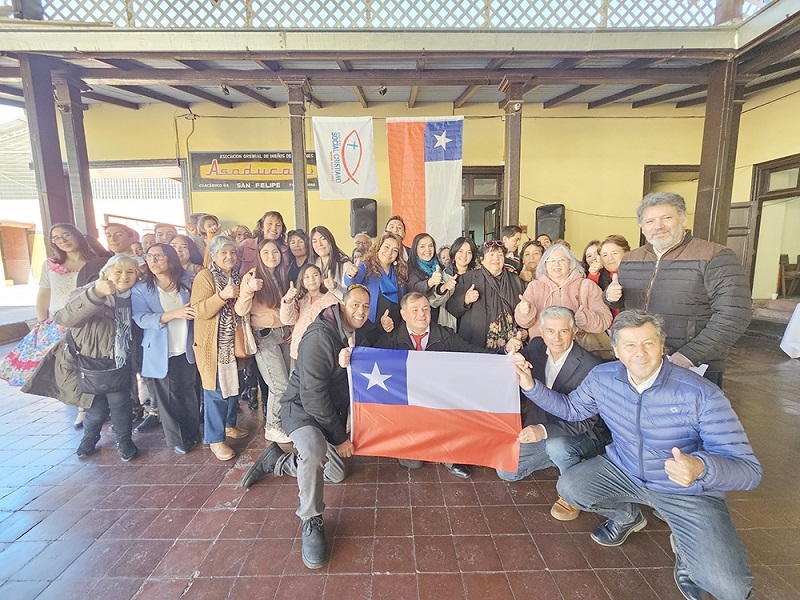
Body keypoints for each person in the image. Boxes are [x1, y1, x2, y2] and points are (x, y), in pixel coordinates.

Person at [516, 310, 761, 600]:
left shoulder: (700, 394)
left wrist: (700, 467)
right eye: (630, 345)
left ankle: (686, 548)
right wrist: (530, 385)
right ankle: (627, 517)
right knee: (570, 486)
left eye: (648, 343)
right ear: (617, 350)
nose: (640, 353)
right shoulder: (603, 377)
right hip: (625, 471)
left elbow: (749, 470)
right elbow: (572, 409)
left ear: (662, 346)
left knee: (730, 589)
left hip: (685, 490)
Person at [241, 285, 383, 569]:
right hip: (302, 409)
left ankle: (278, 463)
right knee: (315, 450)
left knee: (338, 473)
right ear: (342, 304)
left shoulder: (361, 330)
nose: (361, 311)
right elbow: (312, 396)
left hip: (328, 410)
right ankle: (311, 519)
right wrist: (339, 437)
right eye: (356, 304)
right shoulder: (320, 337)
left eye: (366, 306)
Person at [605, 192, 752, 385]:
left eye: (666, 218)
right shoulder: (631, 259)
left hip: (693, 364)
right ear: (642, 227)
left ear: (682, 219)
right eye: (650, 221)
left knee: (689, 415)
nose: (658, 226)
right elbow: (628, 306)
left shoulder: (714, 256)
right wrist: (610, 297)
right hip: (641, 360)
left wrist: (690, 355)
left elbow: (735, 314)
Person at [379, 292, 522, 479]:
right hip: (409, 406)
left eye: (425, 309)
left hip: (440, 403)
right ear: (404, 314)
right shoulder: (391, 340)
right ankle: (417, 445)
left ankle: (449, 456)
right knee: (413, 463)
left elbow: (473, 353)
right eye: (415, 310)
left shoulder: (445, 335)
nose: (422, 314)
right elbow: (369, 359)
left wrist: (505, 353)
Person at [24, 255, 141, 462]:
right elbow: (65, 318)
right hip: (89, 364)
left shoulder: (137, 296)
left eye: (130, 272)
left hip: (119, 362)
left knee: (121, 406)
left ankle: (124, 441)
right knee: (95, 410)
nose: (124, 276)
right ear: (105, 273)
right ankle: (89, 438)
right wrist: (97, 293)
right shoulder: (87, 292)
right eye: (118, 271)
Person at [496, 306, 609, 521]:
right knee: (507, 472)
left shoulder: (591, 367)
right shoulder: (537, 346)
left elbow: (586, 421)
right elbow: (512, 363)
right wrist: (509, 351)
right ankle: (573, 461)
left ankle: (572, 491)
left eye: (563, 331)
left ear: (575, 332)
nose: (556, 338)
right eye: (550, 331)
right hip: (543, 427)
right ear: (541, 331)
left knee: (557, 445)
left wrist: (543, 431)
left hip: (583, 432)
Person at [0, 223, 97, 427]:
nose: (62, 240)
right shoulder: (50, 264)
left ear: (77, 235)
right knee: (66, 366)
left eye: (66, 235)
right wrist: (41, 318)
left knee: (86, 365)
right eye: (56, 238)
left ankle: (90, 405)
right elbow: (44, 291)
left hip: (88, 321)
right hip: (59, 321)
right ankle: (80, 405)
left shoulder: (95, 262)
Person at [132, 244, 200, 455]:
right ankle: (177, 439)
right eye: (149, 256)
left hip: (186, 346)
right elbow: (141, 318)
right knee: (168, 397)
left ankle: (193, 432)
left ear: (170, 259)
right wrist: (173, 314)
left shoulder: (188, 279)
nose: (152, 261)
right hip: (161, 350)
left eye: (158, 256)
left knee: (189, 391)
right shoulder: (141, 288)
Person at [190, 235, 250, 461]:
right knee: (215, 392)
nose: (229, 256)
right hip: (213, 346)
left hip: (234, 344)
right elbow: (199, 311)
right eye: (223, 252)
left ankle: (229, 425)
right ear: (213, 256)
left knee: (234, 387)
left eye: (233, 252)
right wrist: (222, 296)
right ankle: (215, 439)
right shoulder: (205, 277)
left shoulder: (237, 275)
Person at [235, 239, 292, 443]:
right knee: (279, 384)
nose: (271, 256)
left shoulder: (283, 275)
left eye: (275, 252)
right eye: (265, 252)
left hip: (284, 334)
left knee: (289, 382)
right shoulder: (252, 277)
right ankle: (272, 426)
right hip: (264, 336)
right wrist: (249, 289)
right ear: (259, 255)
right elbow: (240, 310)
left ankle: (285, 422)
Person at [515, 243, 611, 340]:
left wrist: (586, 318)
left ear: (570, 264)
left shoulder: (587, 286)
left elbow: (605, 319)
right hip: (542, 347)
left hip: (577, 346)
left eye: (561, 260)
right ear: (545, 265)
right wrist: (525, 312)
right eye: (551, 260)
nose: (556, 264)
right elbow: (523, 323)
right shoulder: (535, 287)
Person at [446, 240, 525, 349]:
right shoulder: (468, 278)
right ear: (482, 260)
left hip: (510, 344)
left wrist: (524, 328)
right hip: (475, 343)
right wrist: (465, 299)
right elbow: (451, 307)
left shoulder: (515, 280)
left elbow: (524, 310)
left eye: (500, 255)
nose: (496, 258)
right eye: (491, 254)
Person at [344, 231, 407, 327]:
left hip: (395, 327)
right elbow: (351, 281)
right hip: (370, 328)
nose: (389, 252)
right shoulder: (365, 266)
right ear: (378, 247)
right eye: (386, 247)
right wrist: (350, 274)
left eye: (395, 250)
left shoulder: (400, 272)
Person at [279, 264, 339, 363]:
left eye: (315, 275)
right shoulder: (300, 300)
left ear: (321, 278)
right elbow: (288, 320)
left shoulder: (331, 300)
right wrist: (288, 300)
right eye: (306, 277)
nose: (311, 279)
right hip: (297, 351)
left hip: (319, 351)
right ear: (302, 282)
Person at [406, 232, 457, 325]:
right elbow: (414, 288)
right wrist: (430, 282)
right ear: (415, 249)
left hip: (441, 314)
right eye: (422, 246)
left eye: (431, 246)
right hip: (422, 316)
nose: (428, 250)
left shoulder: (438, 264)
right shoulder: (411, 267)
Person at [238, 211, 290, 275]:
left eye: (278, 225)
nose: (274, 228)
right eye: (270, 223)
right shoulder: (246, 245)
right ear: (262, 227)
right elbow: (233, 268)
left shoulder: (286, 250)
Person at [308, 225, 352, 300]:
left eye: (323, 239)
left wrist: (335, 287)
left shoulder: (345, 265)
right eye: (314, 241)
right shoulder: (312, 265)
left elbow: (350, 297)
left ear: (330, 241)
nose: (319, 244)